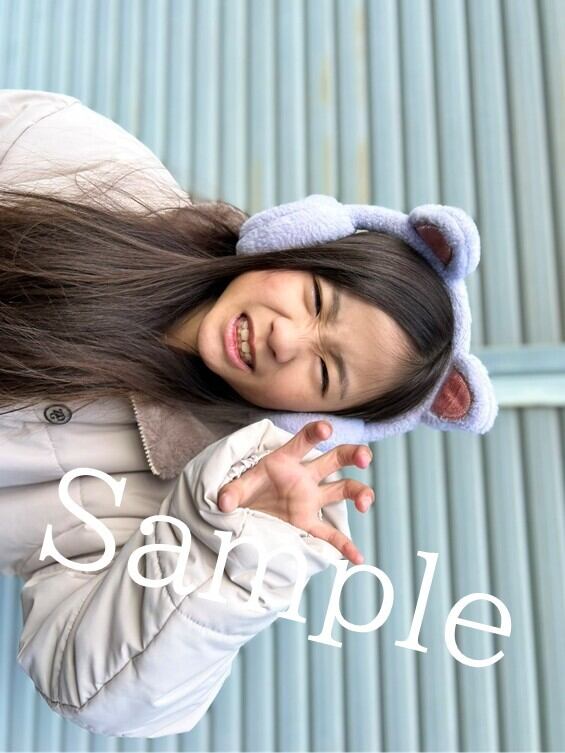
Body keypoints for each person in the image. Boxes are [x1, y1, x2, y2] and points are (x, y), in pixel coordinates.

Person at [0, 89, 496, 738]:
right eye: (316, 300)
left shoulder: (167, 507)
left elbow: (91, 688)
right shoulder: (84, 161)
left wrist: (235, 546)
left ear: (314, 417)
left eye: (325, 372)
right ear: (296, 242)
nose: (286, 339)